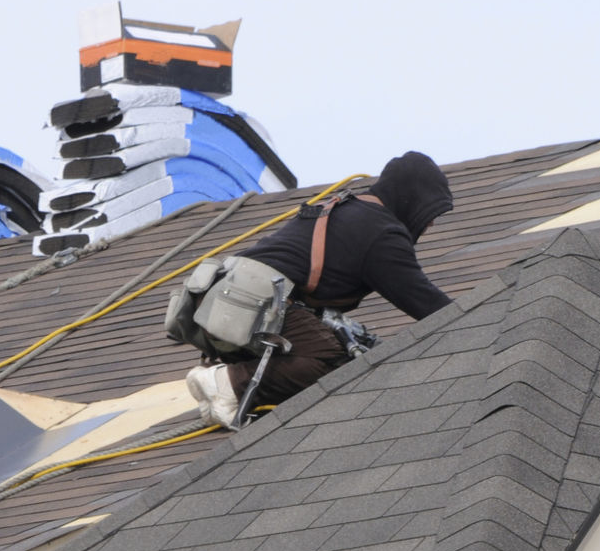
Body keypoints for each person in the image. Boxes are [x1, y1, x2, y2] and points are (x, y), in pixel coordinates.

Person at [185, 151, 454, 426]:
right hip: (254, 302)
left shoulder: (351, 211)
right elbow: (426, 302)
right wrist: (481, 316)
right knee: (332, 360)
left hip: (220, 299)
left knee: (317, 351)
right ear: (411, 198)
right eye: (429, 211)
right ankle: (226, 382)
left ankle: (226, 394)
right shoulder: (381, 232)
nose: (430, 223)